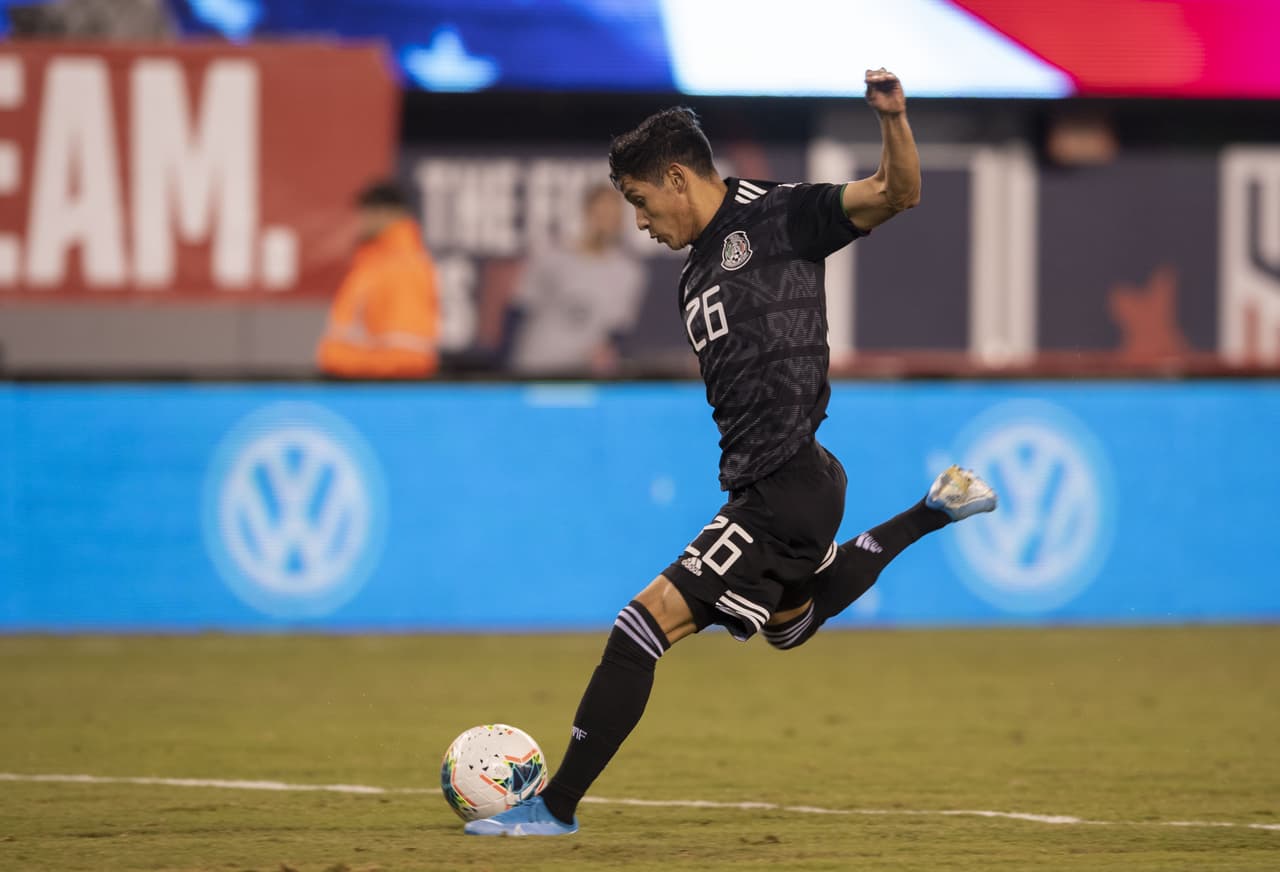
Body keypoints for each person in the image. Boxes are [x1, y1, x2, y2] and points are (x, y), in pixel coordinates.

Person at [465, 69, 998, 837]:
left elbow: (896, 192)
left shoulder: (782, 216)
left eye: (642, 202)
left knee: (638, 628)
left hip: (782, 488)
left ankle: (554, 809)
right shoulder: (691, 279)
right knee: (790, 624)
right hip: (792, 484)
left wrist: (894, 117)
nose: (641, 224)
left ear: (677, 178)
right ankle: (932, 510)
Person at [508, 184, 645, 377]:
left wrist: (607, 354)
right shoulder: (550, 255)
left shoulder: (628, 272)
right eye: (601, 214)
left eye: (613, 216)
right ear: (586, 212)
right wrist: (503, 371)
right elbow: (518, 311)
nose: (606, 223)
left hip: (584, 375)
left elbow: (617, 330)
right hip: (534, 366)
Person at [317, 181, 440, 379]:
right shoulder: (374, 262)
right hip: (363, 382)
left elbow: (408, 353)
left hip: (381, 389)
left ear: (387, 213)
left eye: (366, 213)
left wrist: (343, 364)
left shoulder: (402, 266)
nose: (361, 221)